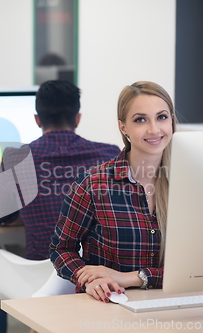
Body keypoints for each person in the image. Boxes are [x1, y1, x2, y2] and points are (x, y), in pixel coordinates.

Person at [0, 80, 121, 333]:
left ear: (37, 119)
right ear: (78, 117)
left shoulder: (17, 158)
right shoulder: (109, 155)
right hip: (98, 273)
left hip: (45, 274)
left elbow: (1, 218)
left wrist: (29, 211)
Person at [50, 81, 177, 303]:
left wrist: (132, 278)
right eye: (140, 119)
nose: (154, 129)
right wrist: (89, 279)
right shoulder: (93, 184)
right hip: (110, 304)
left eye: (162, 117)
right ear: (123, 127)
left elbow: (200, 267)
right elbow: (61, 250)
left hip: (173, 304)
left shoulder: (189, 184)